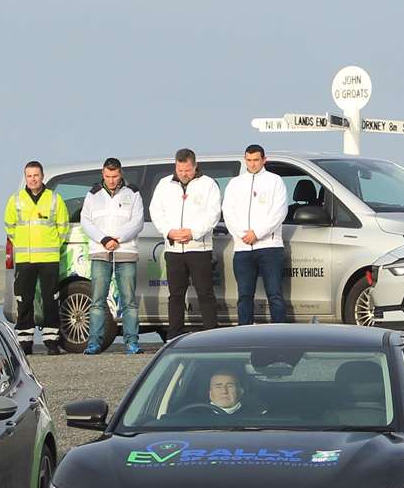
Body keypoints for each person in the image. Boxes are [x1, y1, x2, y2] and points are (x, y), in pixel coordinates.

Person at [149, 148, 222, 339]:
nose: (184, 174)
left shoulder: (208, 185)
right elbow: (156, 211)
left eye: (187, 170)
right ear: (176, 166)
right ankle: (173, 336)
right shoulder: (164, 184)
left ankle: (211, 335)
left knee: (205, 293)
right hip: (173, 248)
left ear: (195, 166)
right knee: (175, 295)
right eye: (180, 170)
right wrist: (169, 231)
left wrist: (193, 232)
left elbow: (213, 214)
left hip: (199, 248)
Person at [5, 161, 70, 354]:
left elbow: (63, 227)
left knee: (50, 299)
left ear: (42, 177)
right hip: (25, 258)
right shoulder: (15, 200)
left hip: (49, 257)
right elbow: (10, 227)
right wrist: (21, 243)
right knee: (24, 299)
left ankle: (51, 340)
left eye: (36, 175)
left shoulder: (54, 199)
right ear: (25, 178)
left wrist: (53, 245)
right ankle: (25, 341)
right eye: (29, 176)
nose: (32, 179)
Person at [81, 157, 144, 354]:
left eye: (115, 176)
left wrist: (118, 238)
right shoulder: (93, 195)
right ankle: (94, 342)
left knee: (129, 300)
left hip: (125, 251)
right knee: (98, 300)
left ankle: (132, 342)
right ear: (103, 173)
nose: (111, 180)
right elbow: (86, 221)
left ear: (121, 173)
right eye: (108, 176)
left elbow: (137, 221)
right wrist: (104, 239)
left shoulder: (133, 194)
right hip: (101, 251)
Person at [224, 144, 289, 326]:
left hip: (270, 246)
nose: (252, 164)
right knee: (244, 294)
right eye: (249, 160)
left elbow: (279, 212)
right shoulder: (235, 183)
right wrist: (242, 234)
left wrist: (257, 233)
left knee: (274, 293)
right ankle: (244, 331)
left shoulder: (275, 181)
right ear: (245, 160)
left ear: (264, 160)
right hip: (243, 247)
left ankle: (279, 332)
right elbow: (228, 212)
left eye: (256, 160)